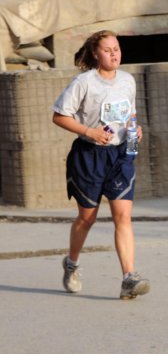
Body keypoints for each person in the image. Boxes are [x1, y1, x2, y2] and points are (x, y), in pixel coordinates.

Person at [52, 30, 150, 300]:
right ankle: (71, 264)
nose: (114, 54)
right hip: (89, 156)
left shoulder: (128, 80)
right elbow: (59, 116)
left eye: (116, 48)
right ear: (96, 54)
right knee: (88, 218)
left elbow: (129, 114)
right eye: (107, 50)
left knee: (123, 216)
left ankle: (129, 277)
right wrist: (88, 131)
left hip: (121, 156)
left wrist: (135, 130)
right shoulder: (84, 83)